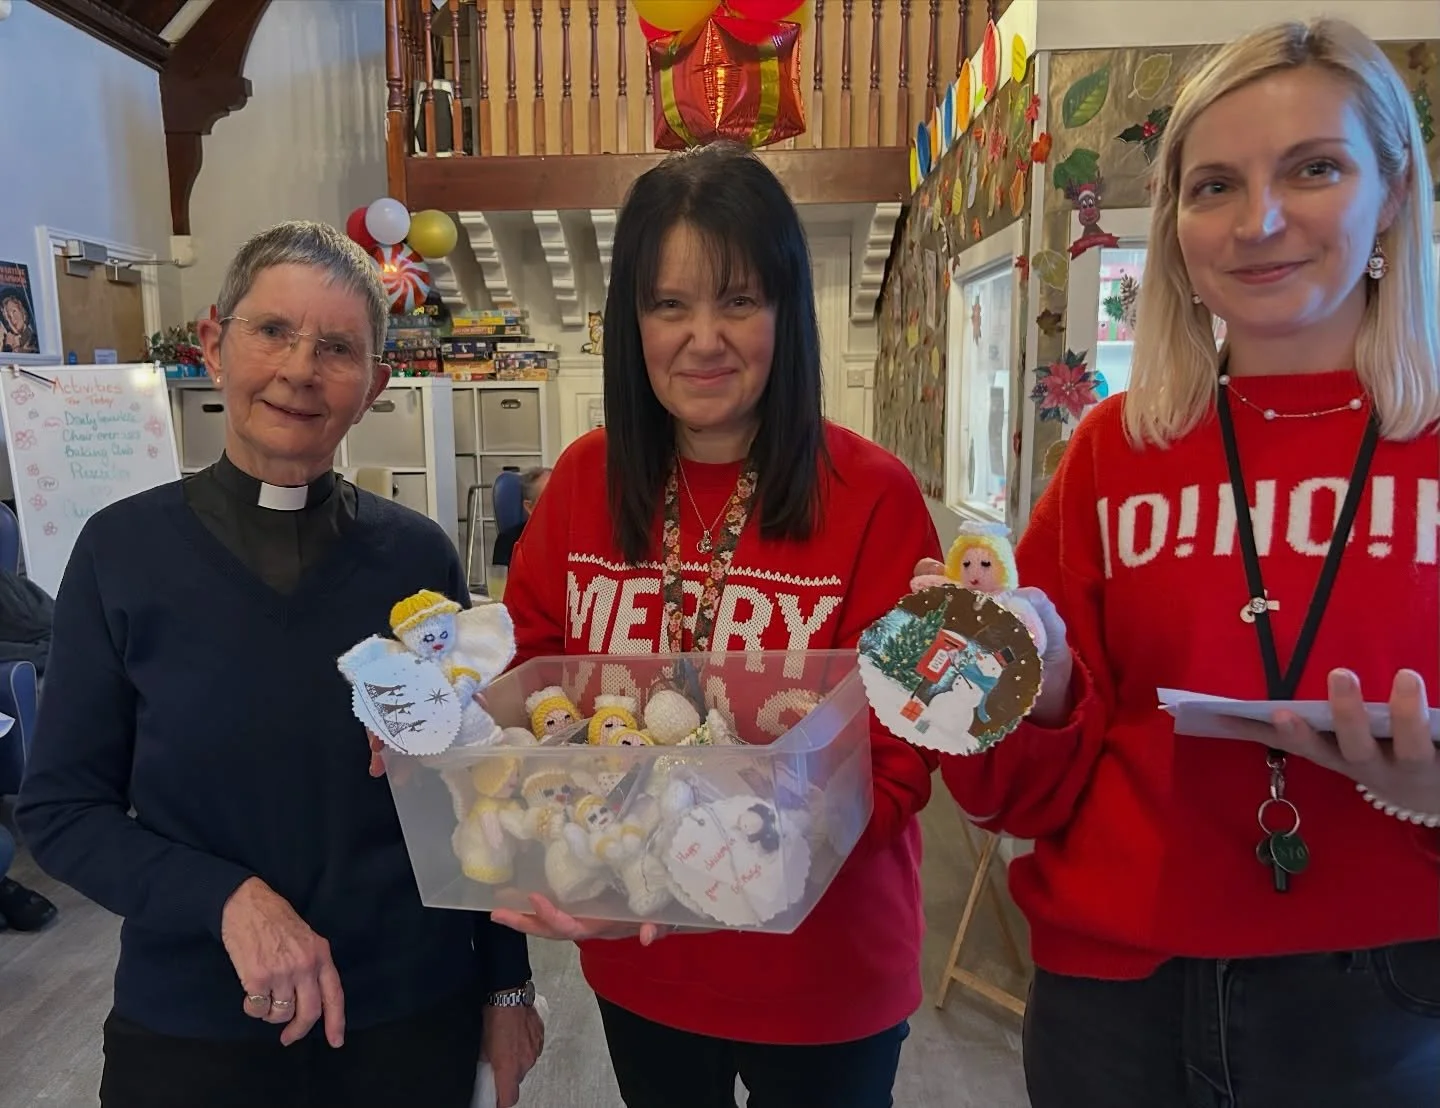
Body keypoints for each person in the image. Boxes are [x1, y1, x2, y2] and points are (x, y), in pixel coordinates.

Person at [935, 18, 1440, 1107]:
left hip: (1385, 996)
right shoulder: (1113, 452)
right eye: (1214, 186)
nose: (1259, 221)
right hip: (1117, 996)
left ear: (1394, 191)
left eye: (1314, 168)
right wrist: (1031, 685)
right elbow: (1007, 793)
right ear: (1174, 226)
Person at [16, 221, 542, 1108]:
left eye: (337, 348)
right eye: (272, 331)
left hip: (406, 1012)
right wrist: (226, 900)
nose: (301, 369)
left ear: (374, 387)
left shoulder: (417, 560)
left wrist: (508, 984)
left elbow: (473, 792)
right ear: (215, 344)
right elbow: (63, 811)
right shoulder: (121, 554)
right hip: (196, 1024)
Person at [485, 142, 942, 1107]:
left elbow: (902, 757)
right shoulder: (582, 481)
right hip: (642, 957)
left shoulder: (874, 497)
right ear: (632, 323)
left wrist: (741, 863)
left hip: (821, 972)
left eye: (738, 300)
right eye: (669, 304)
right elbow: (533, 678)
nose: (704, 339)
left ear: (785, 311)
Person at [491, 464, 550, 568]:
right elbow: (502, 577)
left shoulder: (574, 539)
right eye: (549, 499)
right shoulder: (508, 543)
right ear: (530, 507)